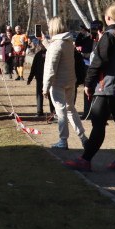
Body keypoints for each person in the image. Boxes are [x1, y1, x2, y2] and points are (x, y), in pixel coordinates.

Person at [65, 3, 115, 173]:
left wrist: (88, 83)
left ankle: (85, 160)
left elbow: (98, 61)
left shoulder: (110, 35)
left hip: (108, 87)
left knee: (98, 124)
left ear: (107, 18)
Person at [43, 16, 88, 150]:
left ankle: (63, 140)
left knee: (61, 111)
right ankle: (83, 137)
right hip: (70, 81)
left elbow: (51, 67)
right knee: (71, 109)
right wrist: (44, 42)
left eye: (50, 27)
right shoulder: (67, 42)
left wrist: (45, 87)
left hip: (58, 83)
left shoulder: (56, 45)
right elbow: (55, 52)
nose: (49, 29)